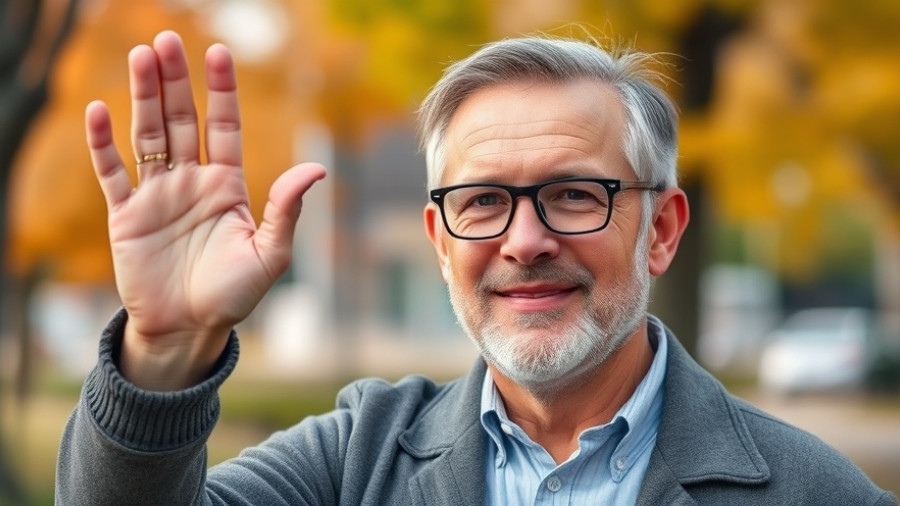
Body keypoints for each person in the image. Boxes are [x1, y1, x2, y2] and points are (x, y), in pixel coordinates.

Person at [55, 30, 896, 506]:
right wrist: (165, 349)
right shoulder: (353, 465)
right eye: (484, 202)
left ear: (663, 230)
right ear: (440, 237)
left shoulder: (814, 493)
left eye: (573, 194)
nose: (523, 240)